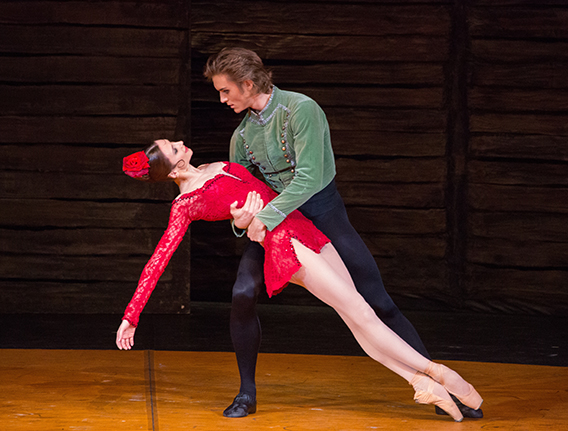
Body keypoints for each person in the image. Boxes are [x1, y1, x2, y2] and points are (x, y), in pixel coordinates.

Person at [203, 47, 483, 419]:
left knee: (377, 302)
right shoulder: (241, 137)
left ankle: (444, 388)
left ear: (248, 83)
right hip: (277, 226)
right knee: (242, 292)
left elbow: (311, 176)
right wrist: (242, 219)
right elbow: (241, 193)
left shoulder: (300, 110)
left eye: (225, 91)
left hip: (321, 215)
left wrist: (265, 216)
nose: (222, 99)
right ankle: (247, 394)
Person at [116, 139, 483, 422]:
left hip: (301, 227)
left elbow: (258, 194)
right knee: (359, 310)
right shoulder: (185, 204)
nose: (180, 142)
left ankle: (420, 384)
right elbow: (159, 258)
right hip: (282, 244)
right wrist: (131, 315)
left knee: (354, 315)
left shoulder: (216, 165)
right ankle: (437, 373)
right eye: (174, 147)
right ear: (176, 164)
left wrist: (243, 219)